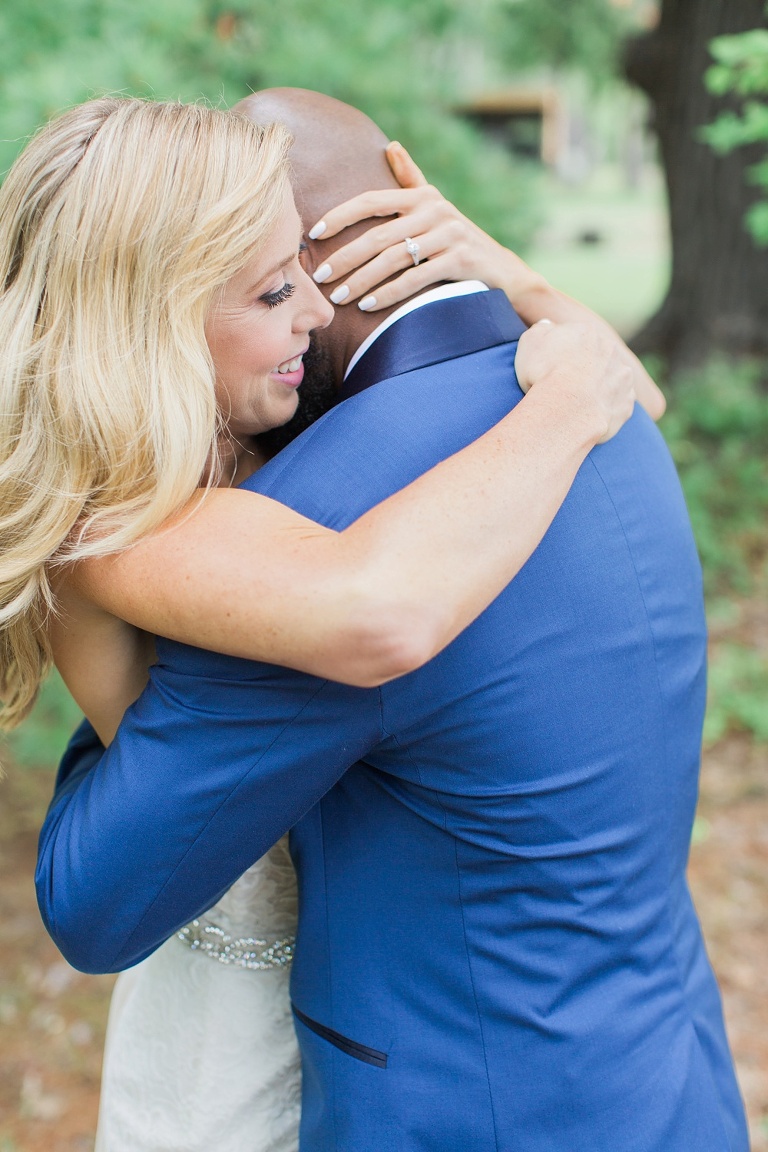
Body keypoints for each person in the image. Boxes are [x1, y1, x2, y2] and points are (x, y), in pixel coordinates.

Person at [35, 89, 748, 1151]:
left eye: (292, 274)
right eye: (269, 285)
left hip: (468, 1112)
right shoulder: (594, 386)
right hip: (669, 1072)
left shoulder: (325, 513)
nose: (305, 312)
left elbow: (96, 904)